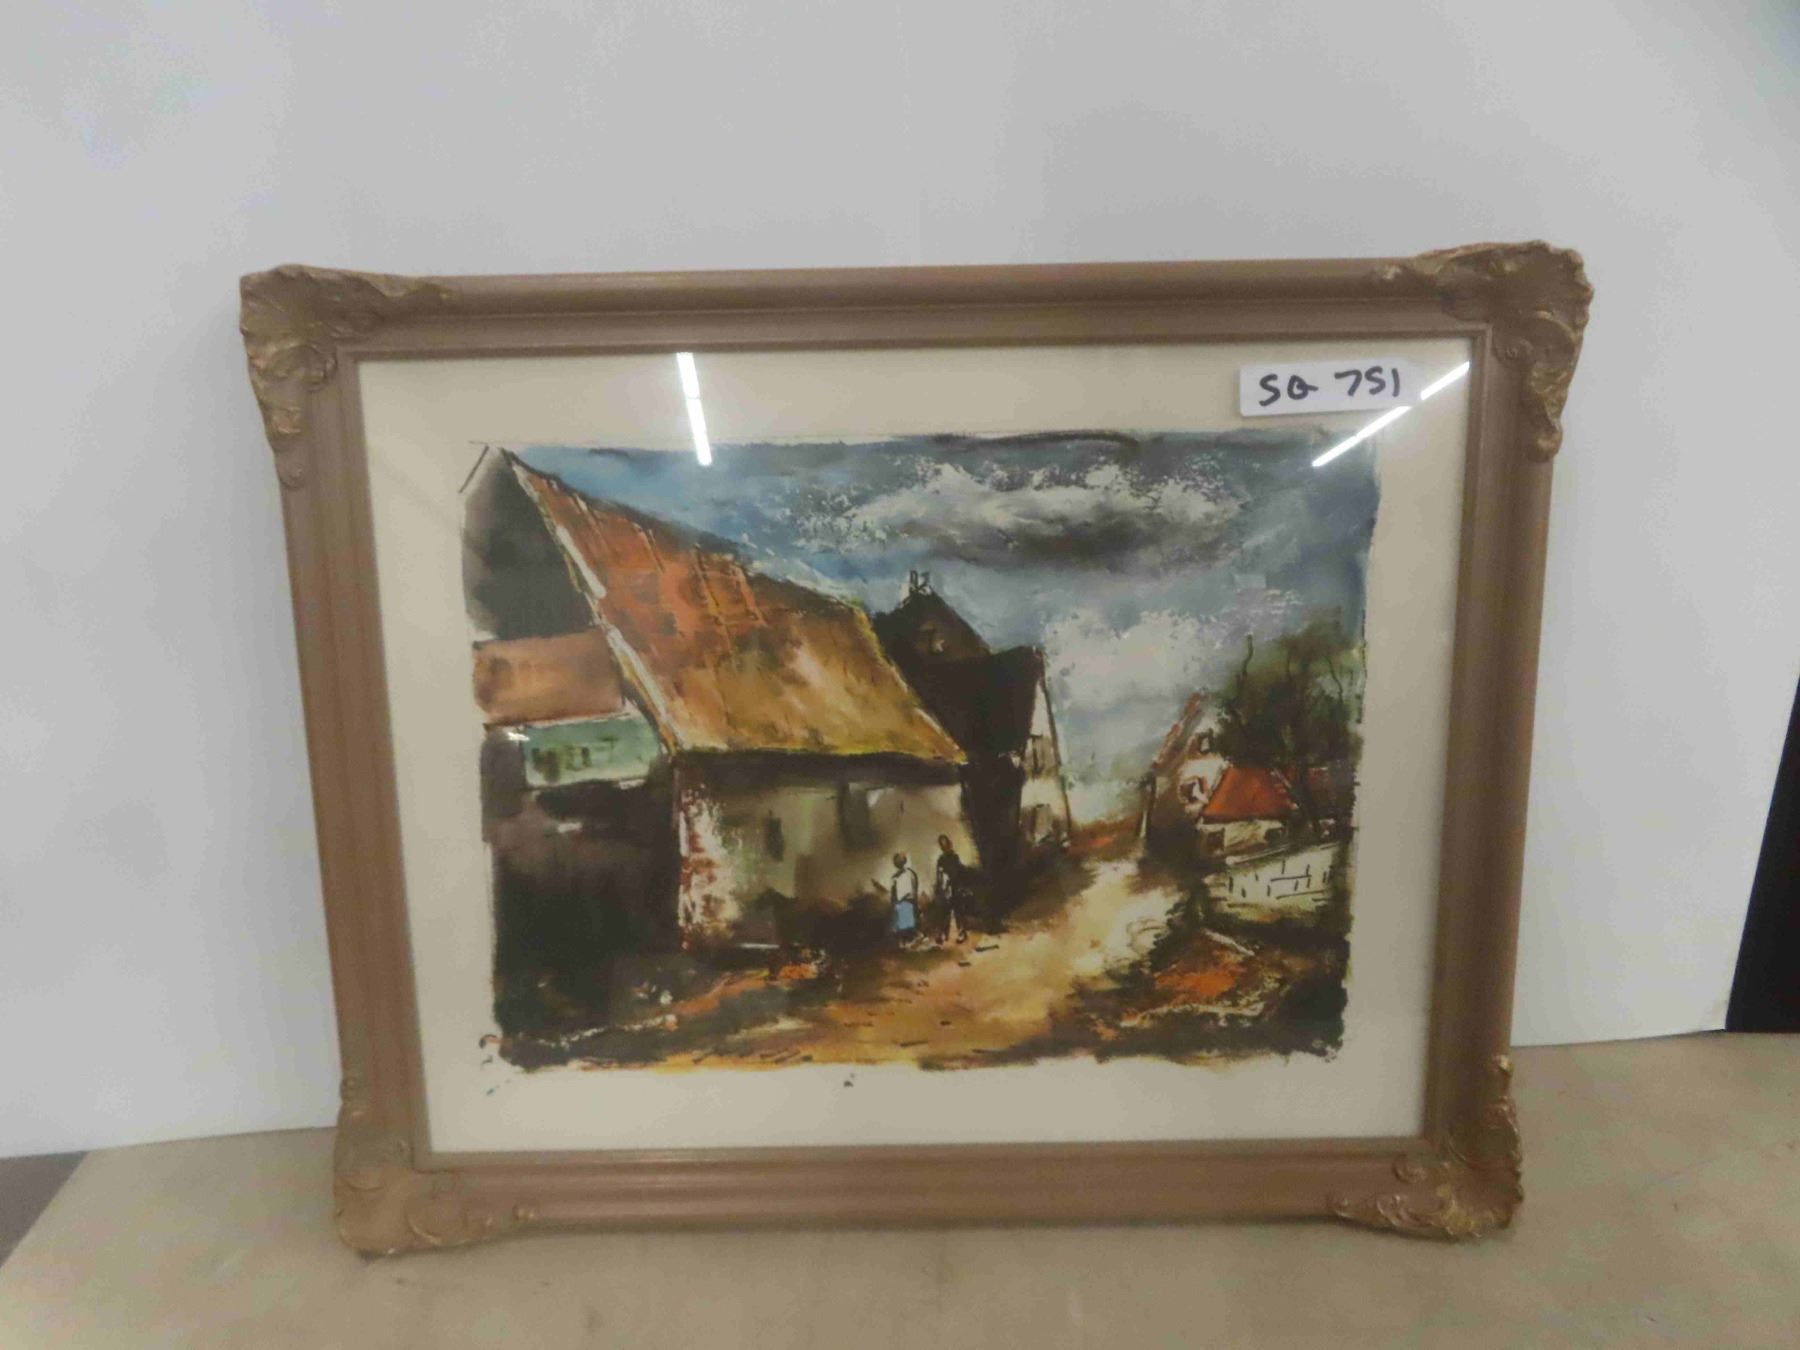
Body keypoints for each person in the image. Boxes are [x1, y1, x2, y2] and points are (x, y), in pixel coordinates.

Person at [934, 834, 969, 944]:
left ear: (949, 844)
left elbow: (958, 872)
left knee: (958, 911)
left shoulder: (955, 857)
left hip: (955, 888)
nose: (944, 847)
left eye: (945, 844)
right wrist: (940, 886)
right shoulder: (941, 859)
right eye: (942, 845)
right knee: (944, 912)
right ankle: (943, 934)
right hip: (945, 889)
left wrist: (952, 882)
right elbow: (939, 874)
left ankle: (961, 933)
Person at [888, 852, 920, 945]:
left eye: (899, 860)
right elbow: (893, 891)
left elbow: (913, 889)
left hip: (907, 900)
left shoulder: (909, 873)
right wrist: (894, 902)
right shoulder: (895, 876)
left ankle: (912, 940)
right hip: (900, 902)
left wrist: (911, 900)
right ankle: (905, 941)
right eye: (896, 860)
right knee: (901, 924)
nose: (897, 862)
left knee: (907, 923)